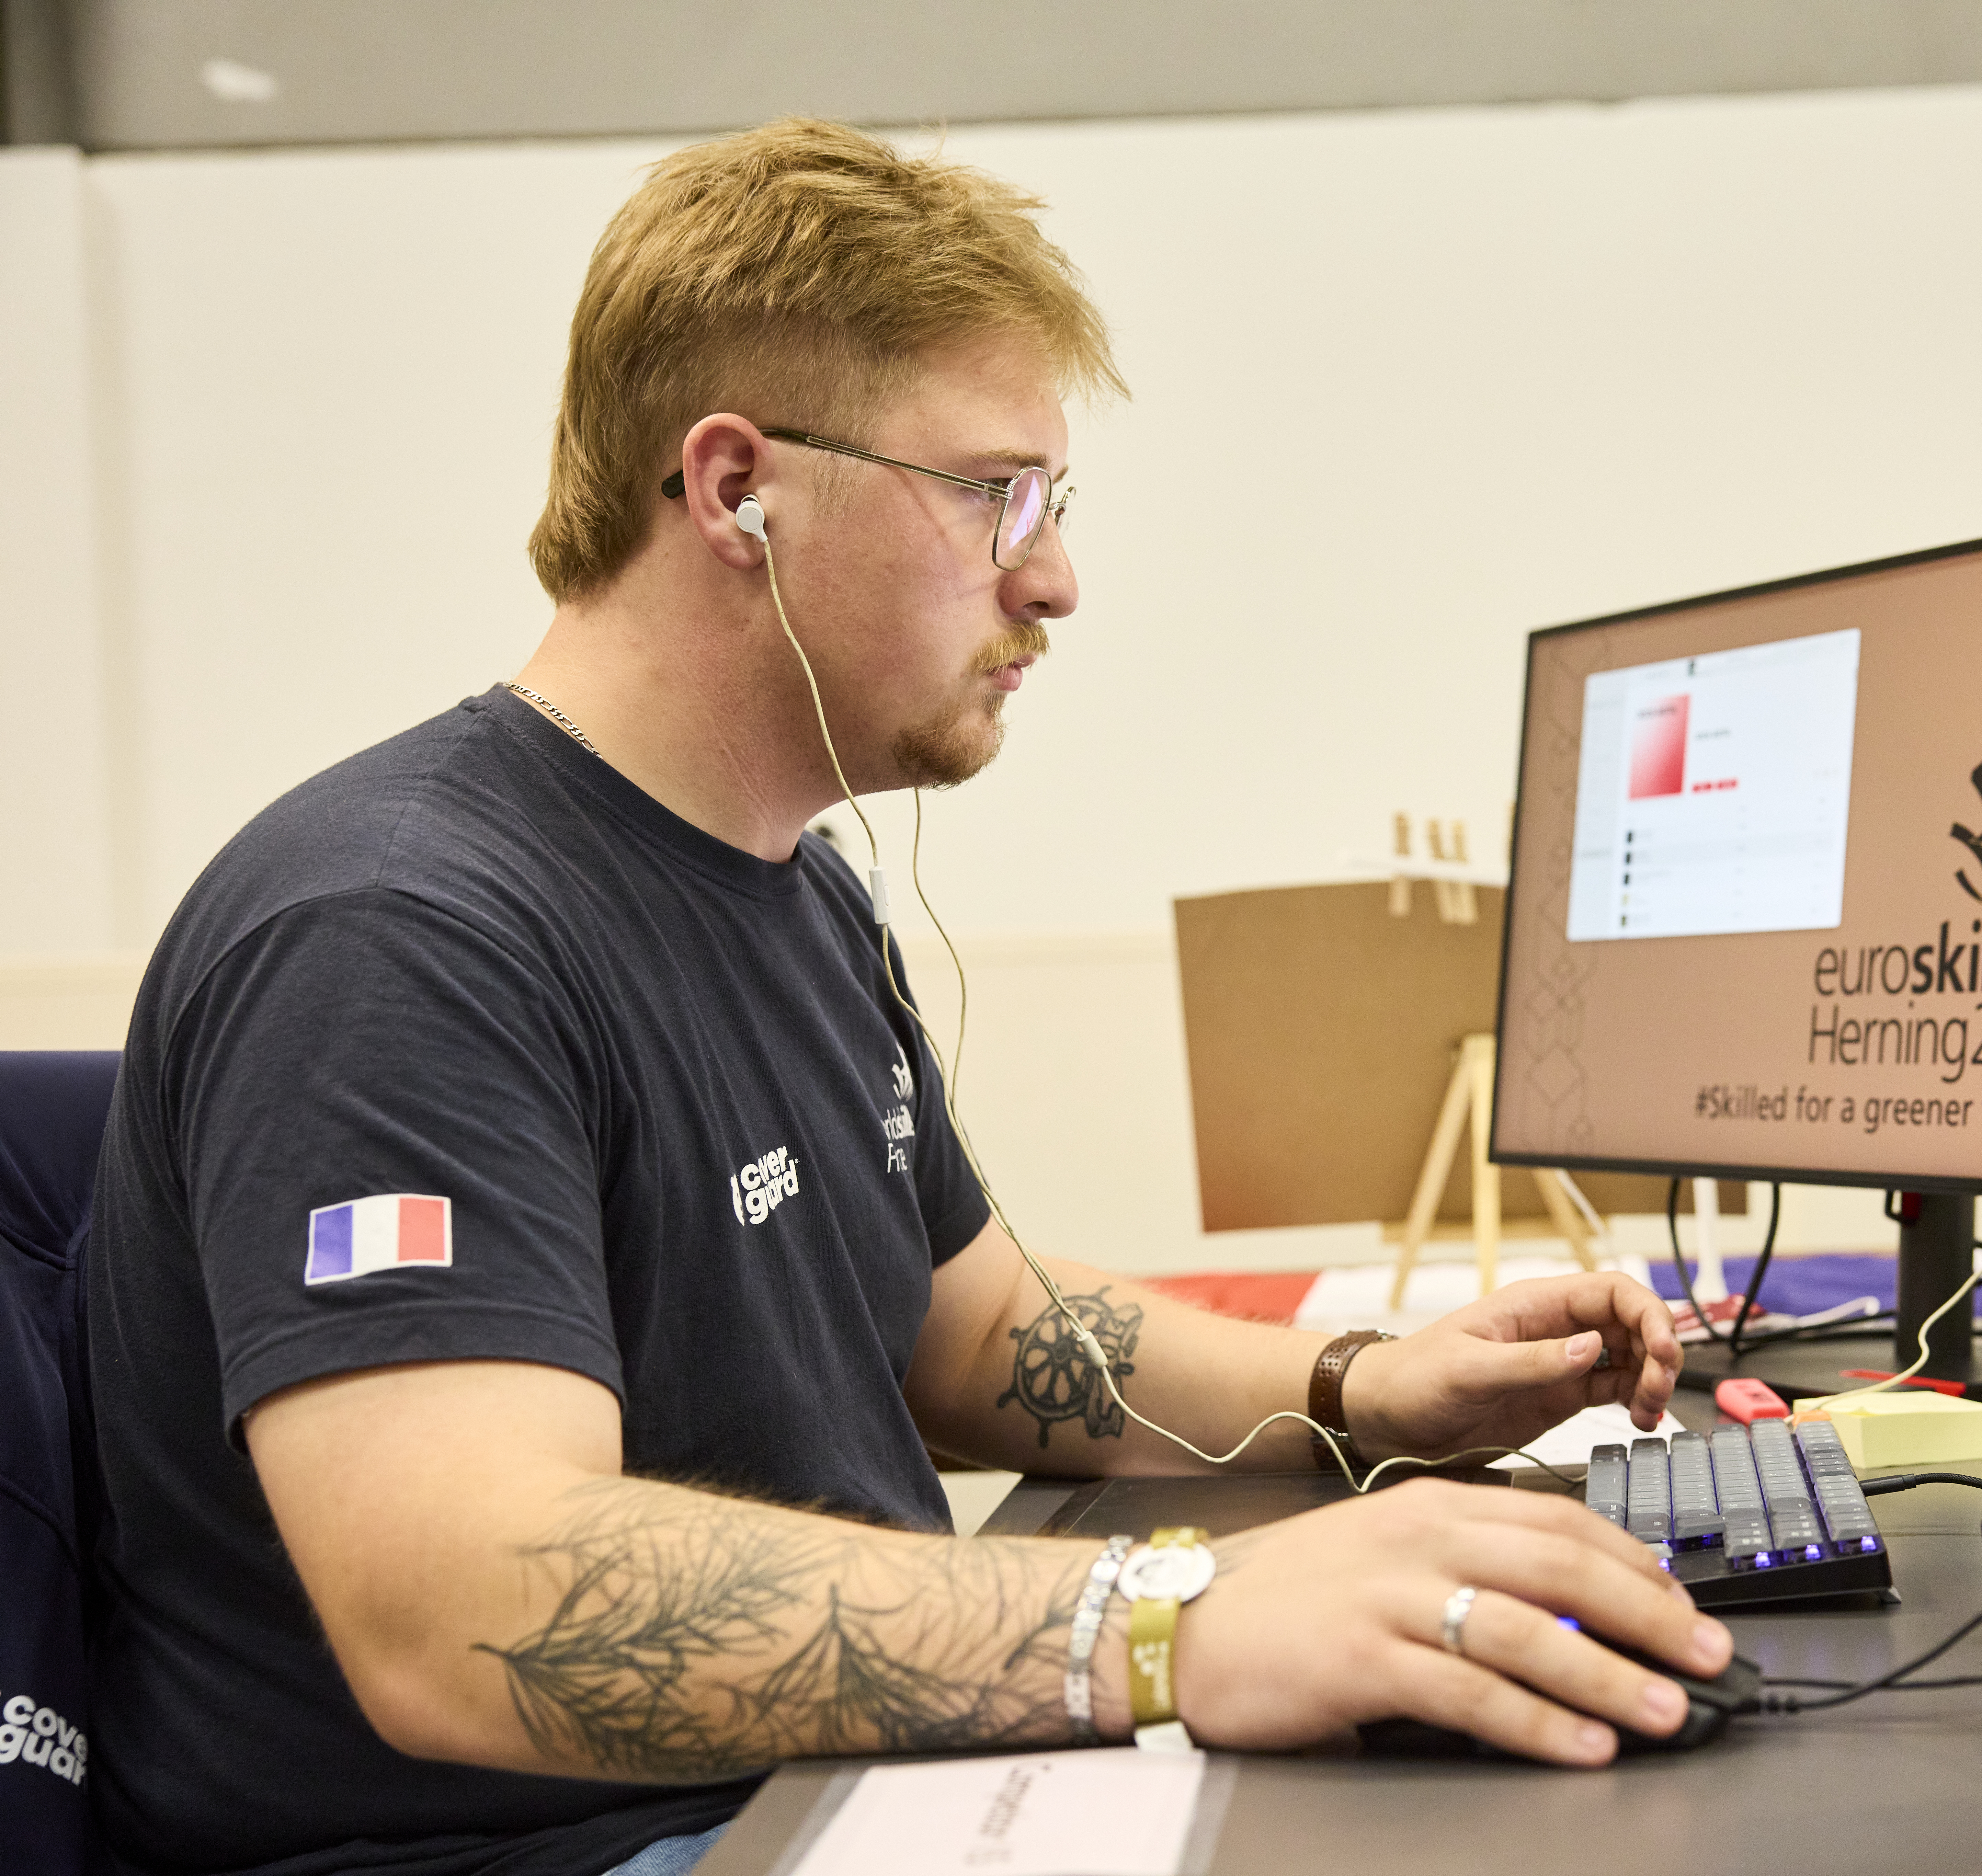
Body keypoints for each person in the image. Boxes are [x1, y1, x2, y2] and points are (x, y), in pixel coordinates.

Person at [84, 118, 1726, 1876]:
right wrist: (1172, 1618)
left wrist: (1360, 1389)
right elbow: (466, 1608)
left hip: (838, 1790)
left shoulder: (796, 890)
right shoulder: (395, 932)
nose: (1054, 577)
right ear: (737, 490)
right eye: (992, 492)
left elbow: (971, 1328)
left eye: (1055, 503)